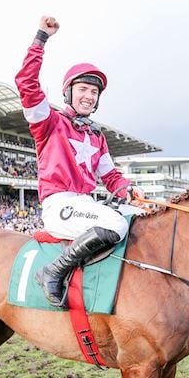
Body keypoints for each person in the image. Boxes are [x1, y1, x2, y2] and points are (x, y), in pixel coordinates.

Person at [15, 16, 144, 307]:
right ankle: (53, 271)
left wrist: (129, 191)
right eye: (83, 89)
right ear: (69, 91)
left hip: (85, 204)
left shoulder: (97, 136)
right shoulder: (48, 121)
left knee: (136, 219)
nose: (89, 96)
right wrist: (41, 38)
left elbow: (112, 178)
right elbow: (25, 83)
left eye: (94, 92)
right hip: (59, 204)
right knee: (116, 224)